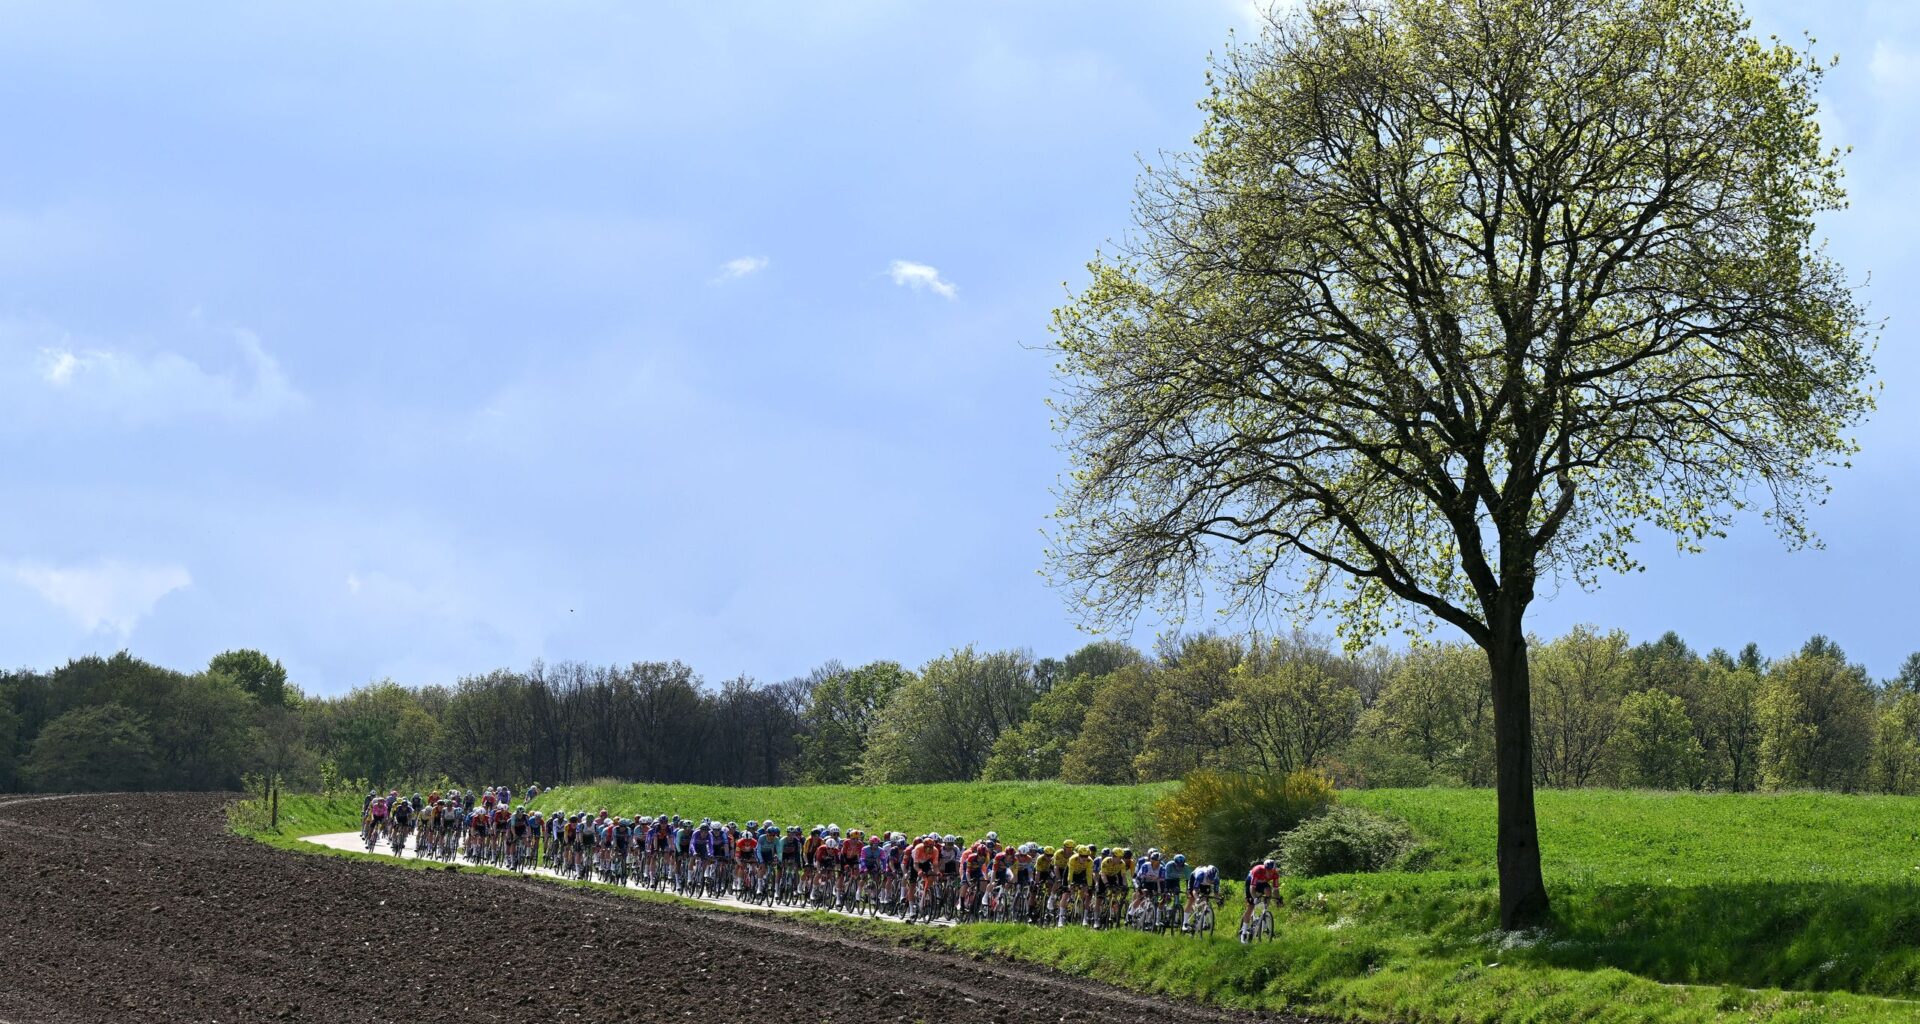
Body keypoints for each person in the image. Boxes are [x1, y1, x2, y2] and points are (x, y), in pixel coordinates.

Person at [1240, 858, 1280, 936]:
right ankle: (1243, 931)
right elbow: (1252, 888)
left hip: (1262, 883)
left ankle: (1264, 912)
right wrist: (1255, 898)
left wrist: (1278, 900)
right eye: (1267, 870)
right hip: (1250, 882)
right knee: (1251, 906)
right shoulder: (1258, 870)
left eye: (1271, 870)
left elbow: (1276, 889)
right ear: (1264, 868)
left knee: (1269, 891)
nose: (1269, 872)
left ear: (1274, 869)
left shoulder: (1275, 874)